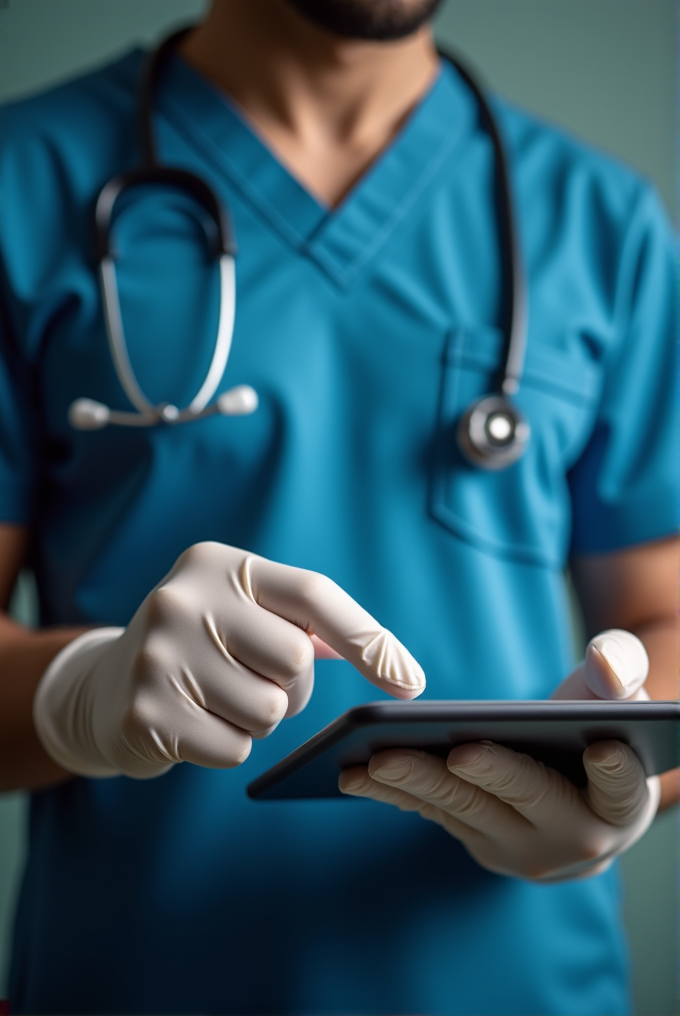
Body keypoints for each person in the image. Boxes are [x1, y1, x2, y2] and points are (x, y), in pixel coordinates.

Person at [0, 1, 677, 1013]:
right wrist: (77, 692)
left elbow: (663, 611)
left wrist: (627, 778)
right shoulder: (22, 184)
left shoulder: (598, 222)